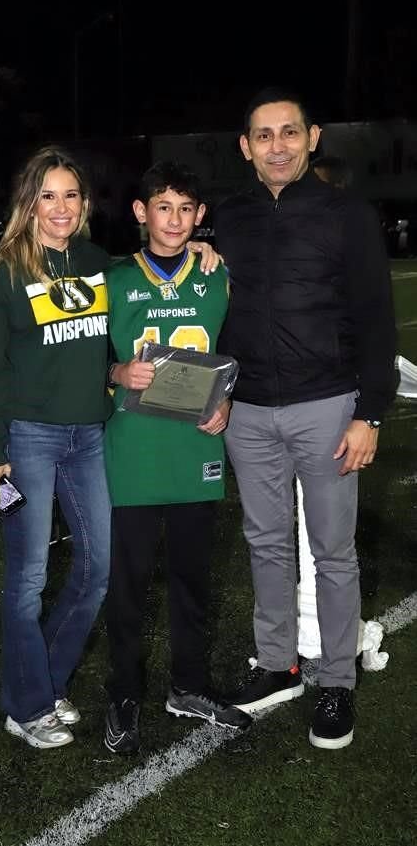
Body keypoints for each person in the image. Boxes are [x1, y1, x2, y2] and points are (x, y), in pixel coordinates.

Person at [212, 87, 397, 750]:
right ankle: (277, 663)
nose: (278, 145)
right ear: (246, 147)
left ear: (312, 137)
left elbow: (377, 318)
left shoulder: (348, 216)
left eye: (289, 132)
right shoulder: (227, 219)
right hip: (250, 410)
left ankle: (336, 678)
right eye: (264, 135)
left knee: (333, 550)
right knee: (265, 542)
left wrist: (368, 413)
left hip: (327, 405)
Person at [102, 161, 252, 754]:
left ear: (200, 217)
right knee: (128, 583)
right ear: (141, 213)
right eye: (163, 207)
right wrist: (115, 370)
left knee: (193, 578)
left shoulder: (218, 274)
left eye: (186, 209)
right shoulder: (111, 278)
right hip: (133, 448)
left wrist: (231, 401)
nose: (175, 219)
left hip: (196, 445)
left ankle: (188, 686)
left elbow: (237, 351)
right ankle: (124, 693)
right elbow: (80, 359)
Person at [0, 146, 113, 750]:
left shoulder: (98, 260)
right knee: (27, 578)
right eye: (47, 195)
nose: (60, 207)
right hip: (26, 439)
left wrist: (203, 252)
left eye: (71, 195)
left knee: (97, 570)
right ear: (28, 203)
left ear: (84, 203)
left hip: (89, 436)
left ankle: (44, 683)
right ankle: (26, 706)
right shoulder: (3, 271)